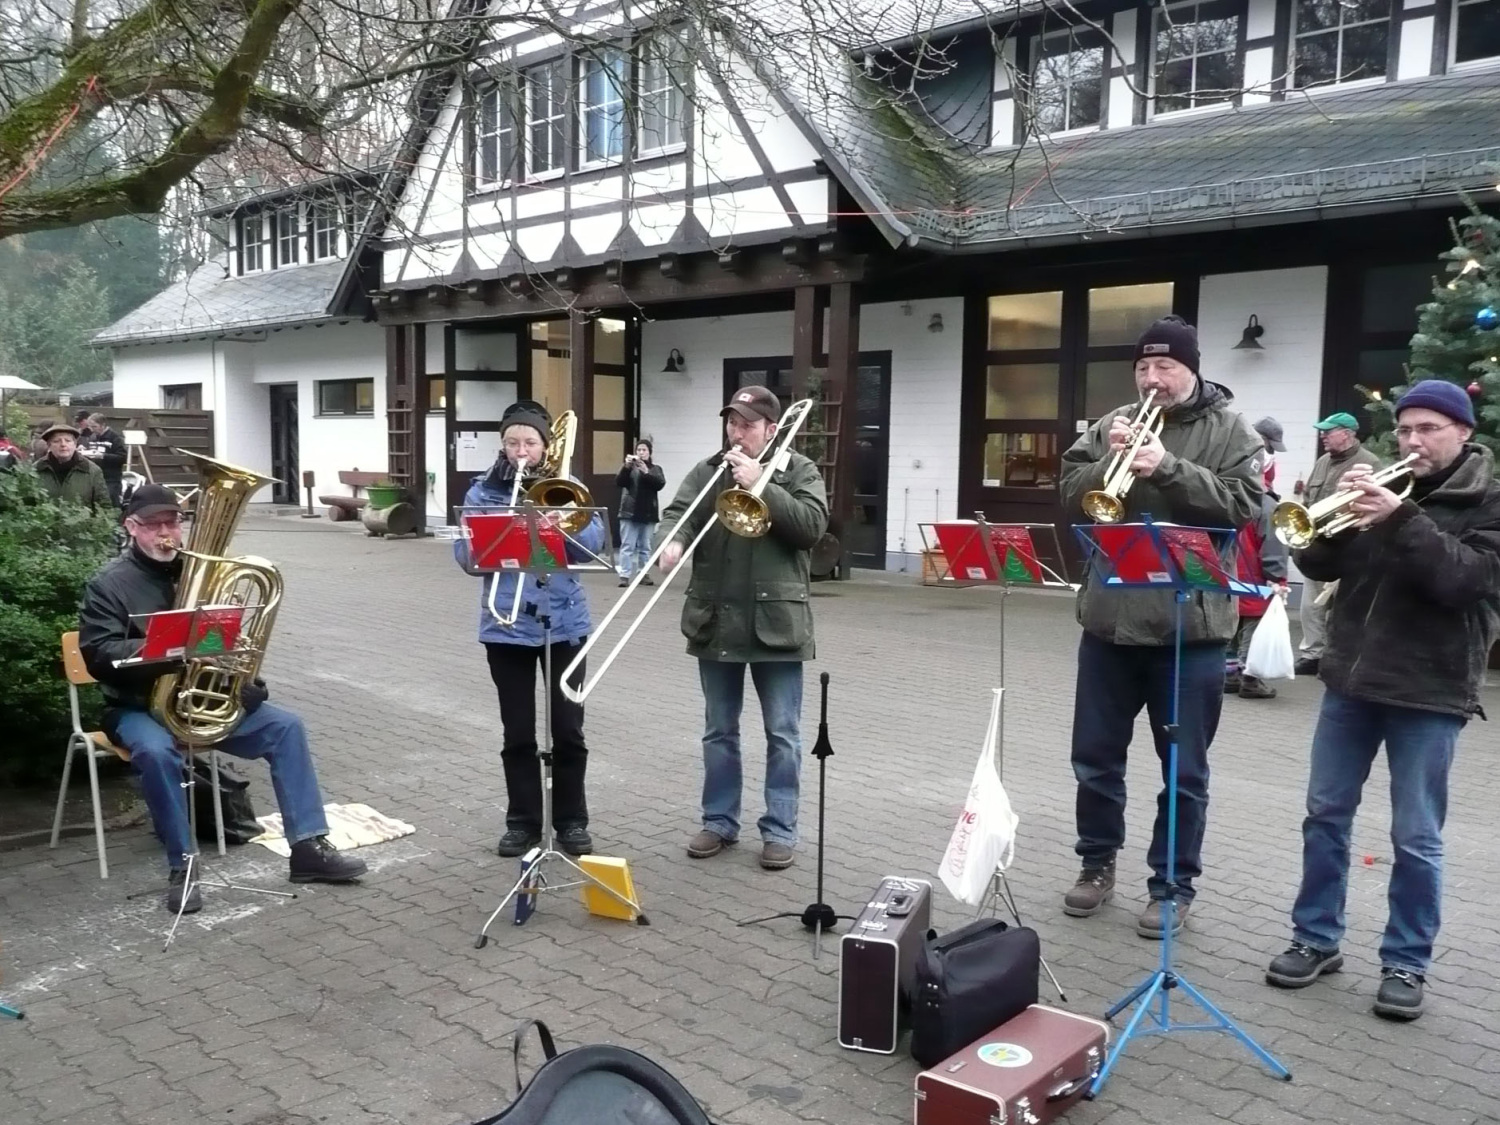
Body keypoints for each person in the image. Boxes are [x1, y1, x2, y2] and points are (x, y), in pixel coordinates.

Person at [1265, 380, 1500, 1021]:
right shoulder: (1382, 488)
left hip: (1429, 688)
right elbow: (1318, 570)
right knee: (1324, 817)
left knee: (1416, 836)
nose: (1413, 441)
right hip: (1350, 682)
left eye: (1428, 429)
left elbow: (1465, 581)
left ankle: (1406, 961)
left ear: (1462, 432)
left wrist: (1397, 517)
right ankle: (1316, 939)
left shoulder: (1488, 500)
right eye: (1404, 430)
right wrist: (1327, 523)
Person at [1058, 315, 1263, 936]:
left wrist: (1166, 466)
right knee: (1094, 760)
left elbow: (1246, 508)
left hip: (1190, 631)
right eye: (1144, 368)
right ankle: (1096, 864)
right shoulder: (1109, 424)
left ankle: (1172, 884)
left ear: (1191, 368)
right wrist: (1108, 463)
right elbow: (1071, 493)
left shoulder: (1231, 430)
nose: (1152, 380)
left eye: (1165, 367)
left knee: (1185, 770)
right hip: (1110, 623)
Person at [78, 485, 367, 913]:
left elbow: (226, 644)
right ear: (131, 528)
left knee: (285, 727)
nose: (166, 534)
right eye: (154, 525)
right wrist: (164, 652)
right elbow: (97, 654)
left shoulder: (205, 575)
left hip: (197, 704)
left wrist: (249, 684)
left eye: (173, 523)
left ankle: (308, 847)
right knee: (157, 754)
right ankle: (184, 864)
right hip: (136, 706)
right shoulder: (109, 584)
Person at [656, 385, 828, 870]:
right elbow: (677, 516)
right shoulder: (710, 470)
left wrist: (761, 486)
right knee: (718, 731)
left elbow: (812, 528)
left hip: (778, 623)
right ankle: (719, 822)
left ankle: (780, 829)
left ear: (771, 430)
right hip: (717, 620)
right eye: (732, 422)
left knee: (783, 734)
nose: (737, 432)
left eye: (747, 424)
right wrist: (669, 543)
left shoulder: (799, 470)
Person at [454, 400, 607, 859]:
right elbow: (466, 559)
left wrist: (566, 530)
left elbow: (594, 546)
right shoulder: (482, 492)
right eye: (513, 442)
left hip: (565, 624)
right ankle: (522, 821)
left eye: (530, 443)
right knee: (517, 731)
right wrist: (496, 532)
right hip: (506, 627)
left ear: (545, 446)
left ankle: (571, 821)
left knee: (568, 729)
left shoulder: (569, 487)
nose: (522, 452)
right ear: (503, 445)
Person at [1294, 413, 1382, 675]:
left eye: (1328, 431)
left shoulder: (1369, 463)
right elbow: (1310, 497)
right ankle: (1312, 654)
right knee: (1310, 605)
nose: (1323, 436)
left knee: (1341, 607)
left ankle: (1338, 656)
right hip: (1319, 544)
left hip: (1350, 546)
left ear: (1347, 433)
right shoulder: (1323, 461)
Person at [1224, 471, 1289, 701]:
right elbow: (1274, 544)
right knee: (1253, 633)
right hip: (1256, 581)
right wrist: (1277, 577)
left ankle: (1229, 675)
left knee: (1231, 630)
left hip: (1229, 577)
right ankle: (1250, 680)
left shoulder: (1229, 496)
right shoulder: (1267, 505)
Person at [615, 439, 666, 587]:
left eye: (644, 450)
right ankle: (624, 575)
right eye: (639, 450)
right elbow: (619, 482)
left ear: (650, 453)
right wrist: (626, 467)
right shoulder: (629, 469)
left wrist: (646, 472)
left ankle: (644, 574)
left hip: (648, 512)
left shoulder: (656, 469)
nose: (641, 453)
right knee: (627, 545)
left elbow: (660, 484)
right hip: (629, 512)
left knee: (645, 546)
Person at [34, 423, 110, 511]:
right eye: (57, 441)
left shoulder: (92, 471)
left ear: (75, 444)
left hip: (81, 523)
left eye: (68, 440)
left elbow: (104, 507)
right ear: (49, 445)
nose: (63, 444)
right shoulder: (36, 470)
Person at [81, 413, 127, 507]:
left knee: (111, 503)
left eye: (94, 426)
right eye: (90, 427)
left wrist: (103, 456)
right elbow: (91, 451)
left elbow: (122, 457)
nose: (92, 429)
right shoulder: (93, 437)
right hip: (95, 477)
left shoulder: (115, 437)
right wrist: (84, 450)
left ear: (103, 425)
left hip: (111, 478)